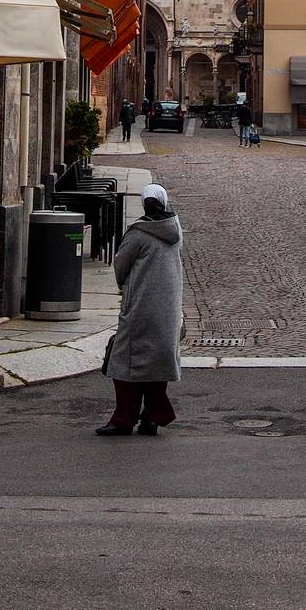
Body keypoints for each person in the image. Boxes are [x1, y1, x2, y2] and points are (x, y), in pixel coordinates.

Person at [97, 183, 184, 436]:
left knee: (123, 360)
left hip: (140, 306)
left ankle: (125, 418)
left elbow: (120, 266)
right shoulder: (174, 230)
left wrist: (125, 287)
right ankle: (152, 416)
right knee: (156, 362)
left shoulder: (139, 232)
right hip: (168, 309)